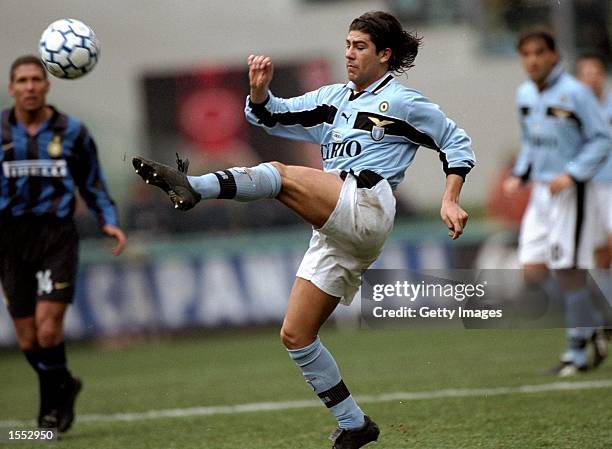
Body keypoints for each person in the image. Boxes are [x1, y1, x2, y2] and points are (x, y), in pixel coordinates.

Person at [133, 11, 475, 449]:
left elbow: (456, 141)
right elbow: (272, 116)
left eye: (360, 46)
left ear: (385, 54)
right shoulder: (334, 97)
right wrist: (259, 93)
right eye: (348, 44)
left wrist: (450, 198)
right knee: (296, 335)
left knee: (280, 173)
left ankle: (194, 186)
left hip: (368, 204)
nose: (349, 53)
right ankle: (354, 425)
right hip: (336, 227)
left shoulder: (404, 103)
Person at [0, 55, 126, 431]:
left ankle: (50, 409)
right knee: (27, 338)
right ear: (11, 88)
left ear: (48, 84)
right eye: (21, 81)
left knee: (48, 329)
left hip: (56, 237)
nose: (29, 87)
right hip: (8, 239)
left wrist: (109, 220)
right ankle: (63, 385)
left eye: (36, 79)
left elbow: (92, 182)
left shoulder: (72, 131)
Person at [503, 30, 611, 376]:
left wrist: (573, 173)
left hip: (571, 191)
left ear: (553, 55)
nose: (532, 60)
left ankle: (576, 352)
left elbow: (601, 138)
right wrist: (520, 172)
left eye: (539, 53)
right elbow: (531, 140)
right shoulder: (524, 93)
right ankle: (592, 323)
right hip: (540, 191)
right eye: (526, 54)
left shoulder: (576, 93)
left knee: (568, 271)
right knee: (533, 269)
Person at [576, 53, 612, 365]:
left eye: (595, 72)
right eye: (585, 73)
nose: (591, 78)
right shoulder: (574, 109)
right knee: (598, 254)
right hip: (589, 187)